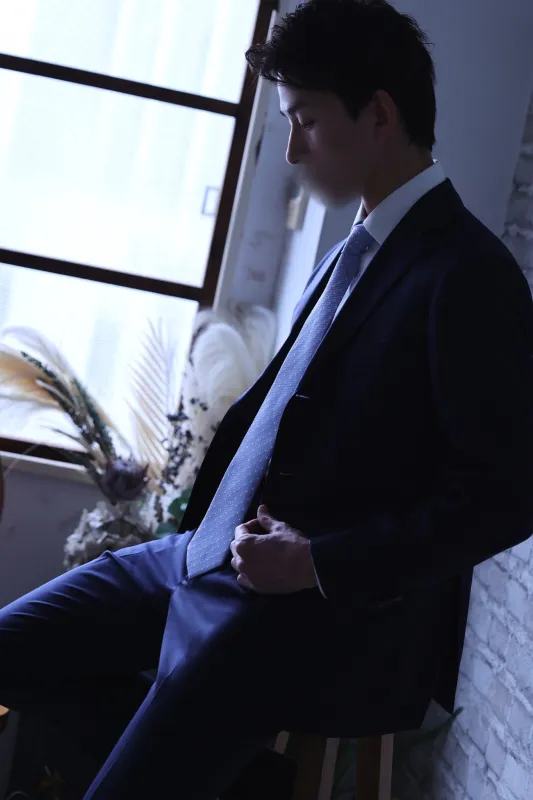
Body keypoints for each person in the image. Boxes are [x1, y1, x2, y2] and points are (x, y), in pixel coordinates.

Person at [2, 0, 533, 797]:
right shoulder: (351, 252)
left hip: (306, 612)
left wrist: (316, 564)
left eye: (306, 121)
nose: (291, 150)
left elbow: (506, 497)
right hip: (196, 559)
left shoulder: (468, 275)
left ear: (378, 114)